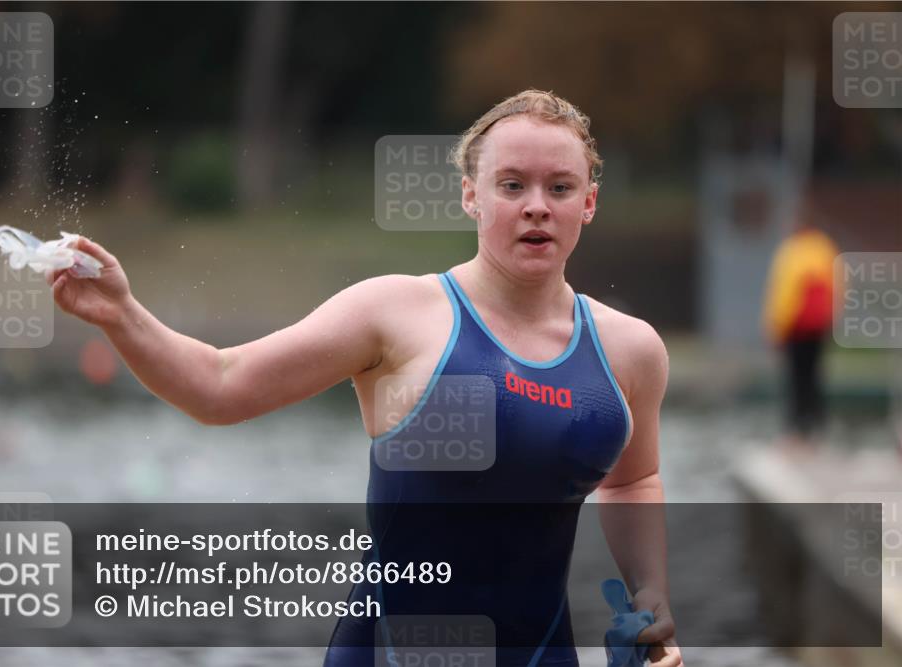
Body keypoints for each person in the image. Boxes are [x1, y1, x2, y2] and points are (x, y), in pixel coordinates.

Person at [50, 90, 682, 667]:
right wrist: (122, 315)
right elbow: (219, 385)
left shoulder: (630, 351)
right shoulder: (395, 314)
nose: (536, 206)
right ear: (472, 196)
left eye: (560, 187)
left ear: (588, 202)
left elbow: (632, 481)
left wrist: (650, 592)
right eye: (512, 185)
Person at [762, 204, 839, 448]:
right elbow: (839, 287)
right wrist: (833, 319)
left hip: (796, 329)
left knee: (796, 379)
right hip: (819, 327)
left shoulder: (791, 251)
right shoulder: (825, 248)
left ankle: (797, 431)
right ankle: (818, 428)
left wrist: (775, 327)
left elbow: (785, 295)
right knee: (814, 377)